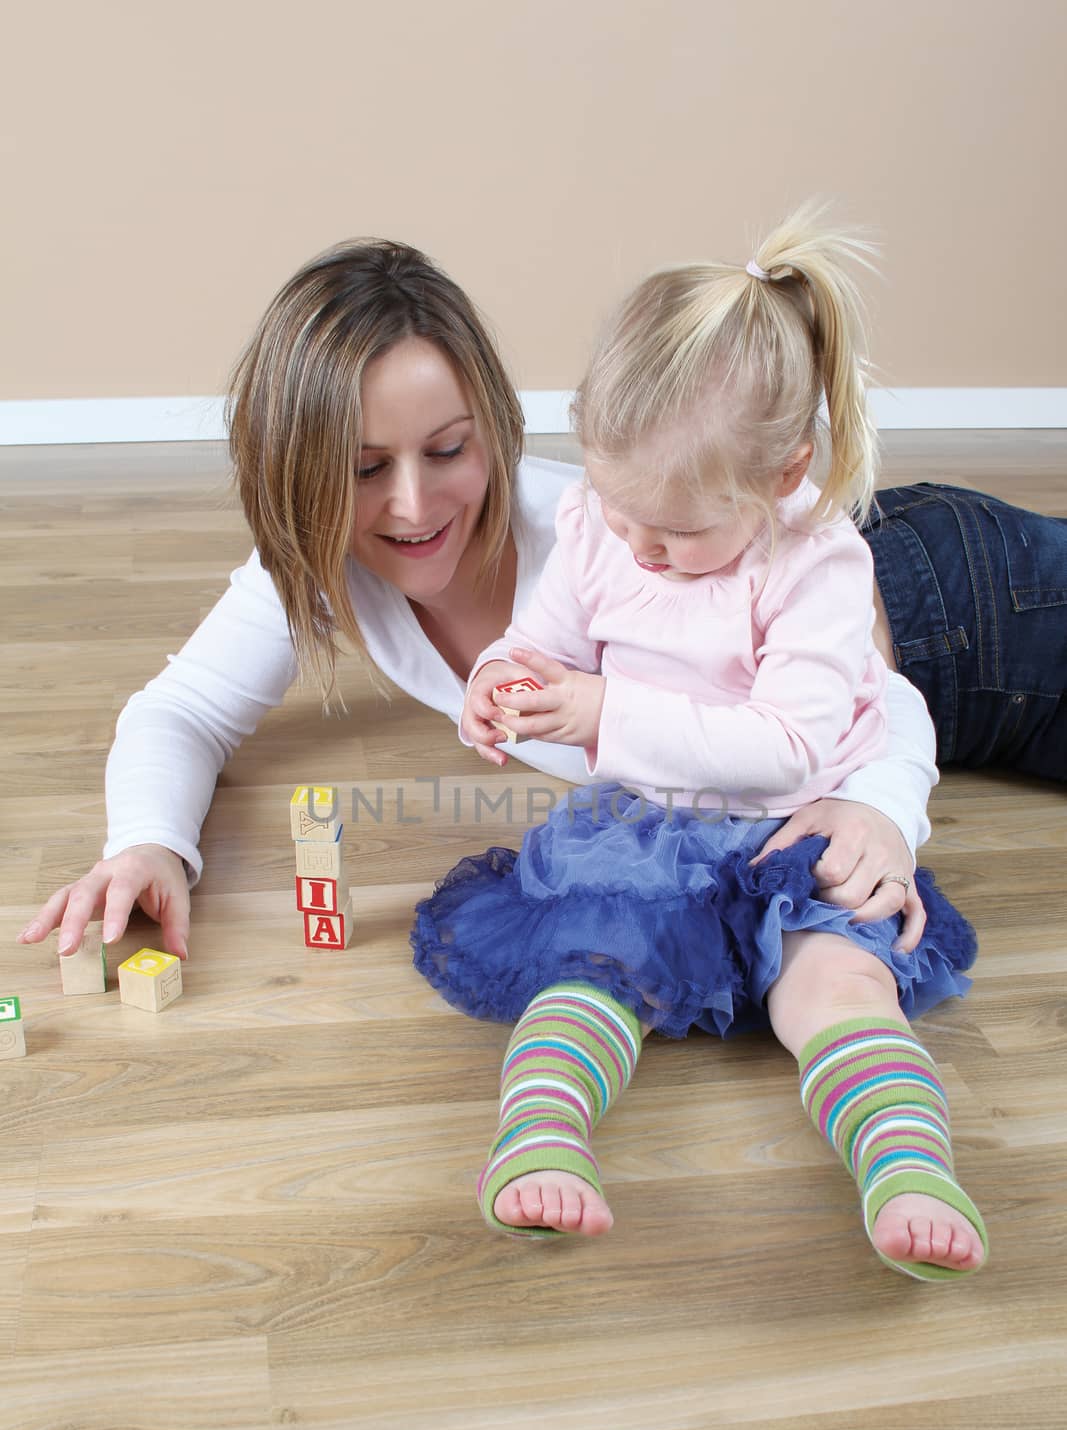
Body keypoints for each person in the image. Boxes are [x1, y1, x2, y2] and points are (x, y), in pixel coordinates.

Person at [14, 238, 1063, 964]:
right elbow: (181, 710)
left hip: (953, 610)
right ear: (297, 473)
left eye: (449, 449)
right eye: (363, 466)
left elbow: (875, 691)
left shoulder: (603, 526)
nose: (415, 504)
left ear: (496, 426)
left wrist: (875, 806)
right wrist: (147, 843)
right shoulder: (320, 563)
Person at [411, 208, 988, 1280]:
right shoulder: (600, 521)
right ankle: (540, 1138)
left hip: (790, 834)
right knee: (583, 977)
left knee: (838, 988)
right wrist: (502, 679)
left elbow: (782, 746)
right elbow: (538, 637)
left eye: (673, 533)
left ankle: (905, 1164)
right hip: (643, 836)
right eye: (620, 512)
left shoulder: (814, 564)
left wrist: (597, 713)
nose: (639, 548)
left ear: (782, 475)